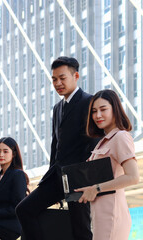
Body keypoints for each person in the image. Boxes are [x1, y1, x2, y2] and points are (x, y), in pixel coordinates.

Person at [15, 57, 99, 240]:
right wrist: (50, 174)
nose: (58, 83)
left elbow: (94, 142)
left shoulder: (89, 102)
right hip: (57, 176)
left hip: (78, 177)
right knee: (24, 209)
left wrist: (86, 178)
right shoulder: (57, 108)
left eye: (62, 78)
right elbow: (56, 144)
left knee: (81, 228)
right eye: (54, 79)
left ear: (75, 76)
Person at [75, 89, 139, 240]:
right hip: (100, 214)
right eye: (94, 111)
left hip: (111, 214)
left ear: (115, 110)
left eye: (103, 109)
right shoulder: (102, 143)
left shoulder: (120, 137)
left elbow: (133, 177)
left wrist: (96, 189)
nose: (98, 115)